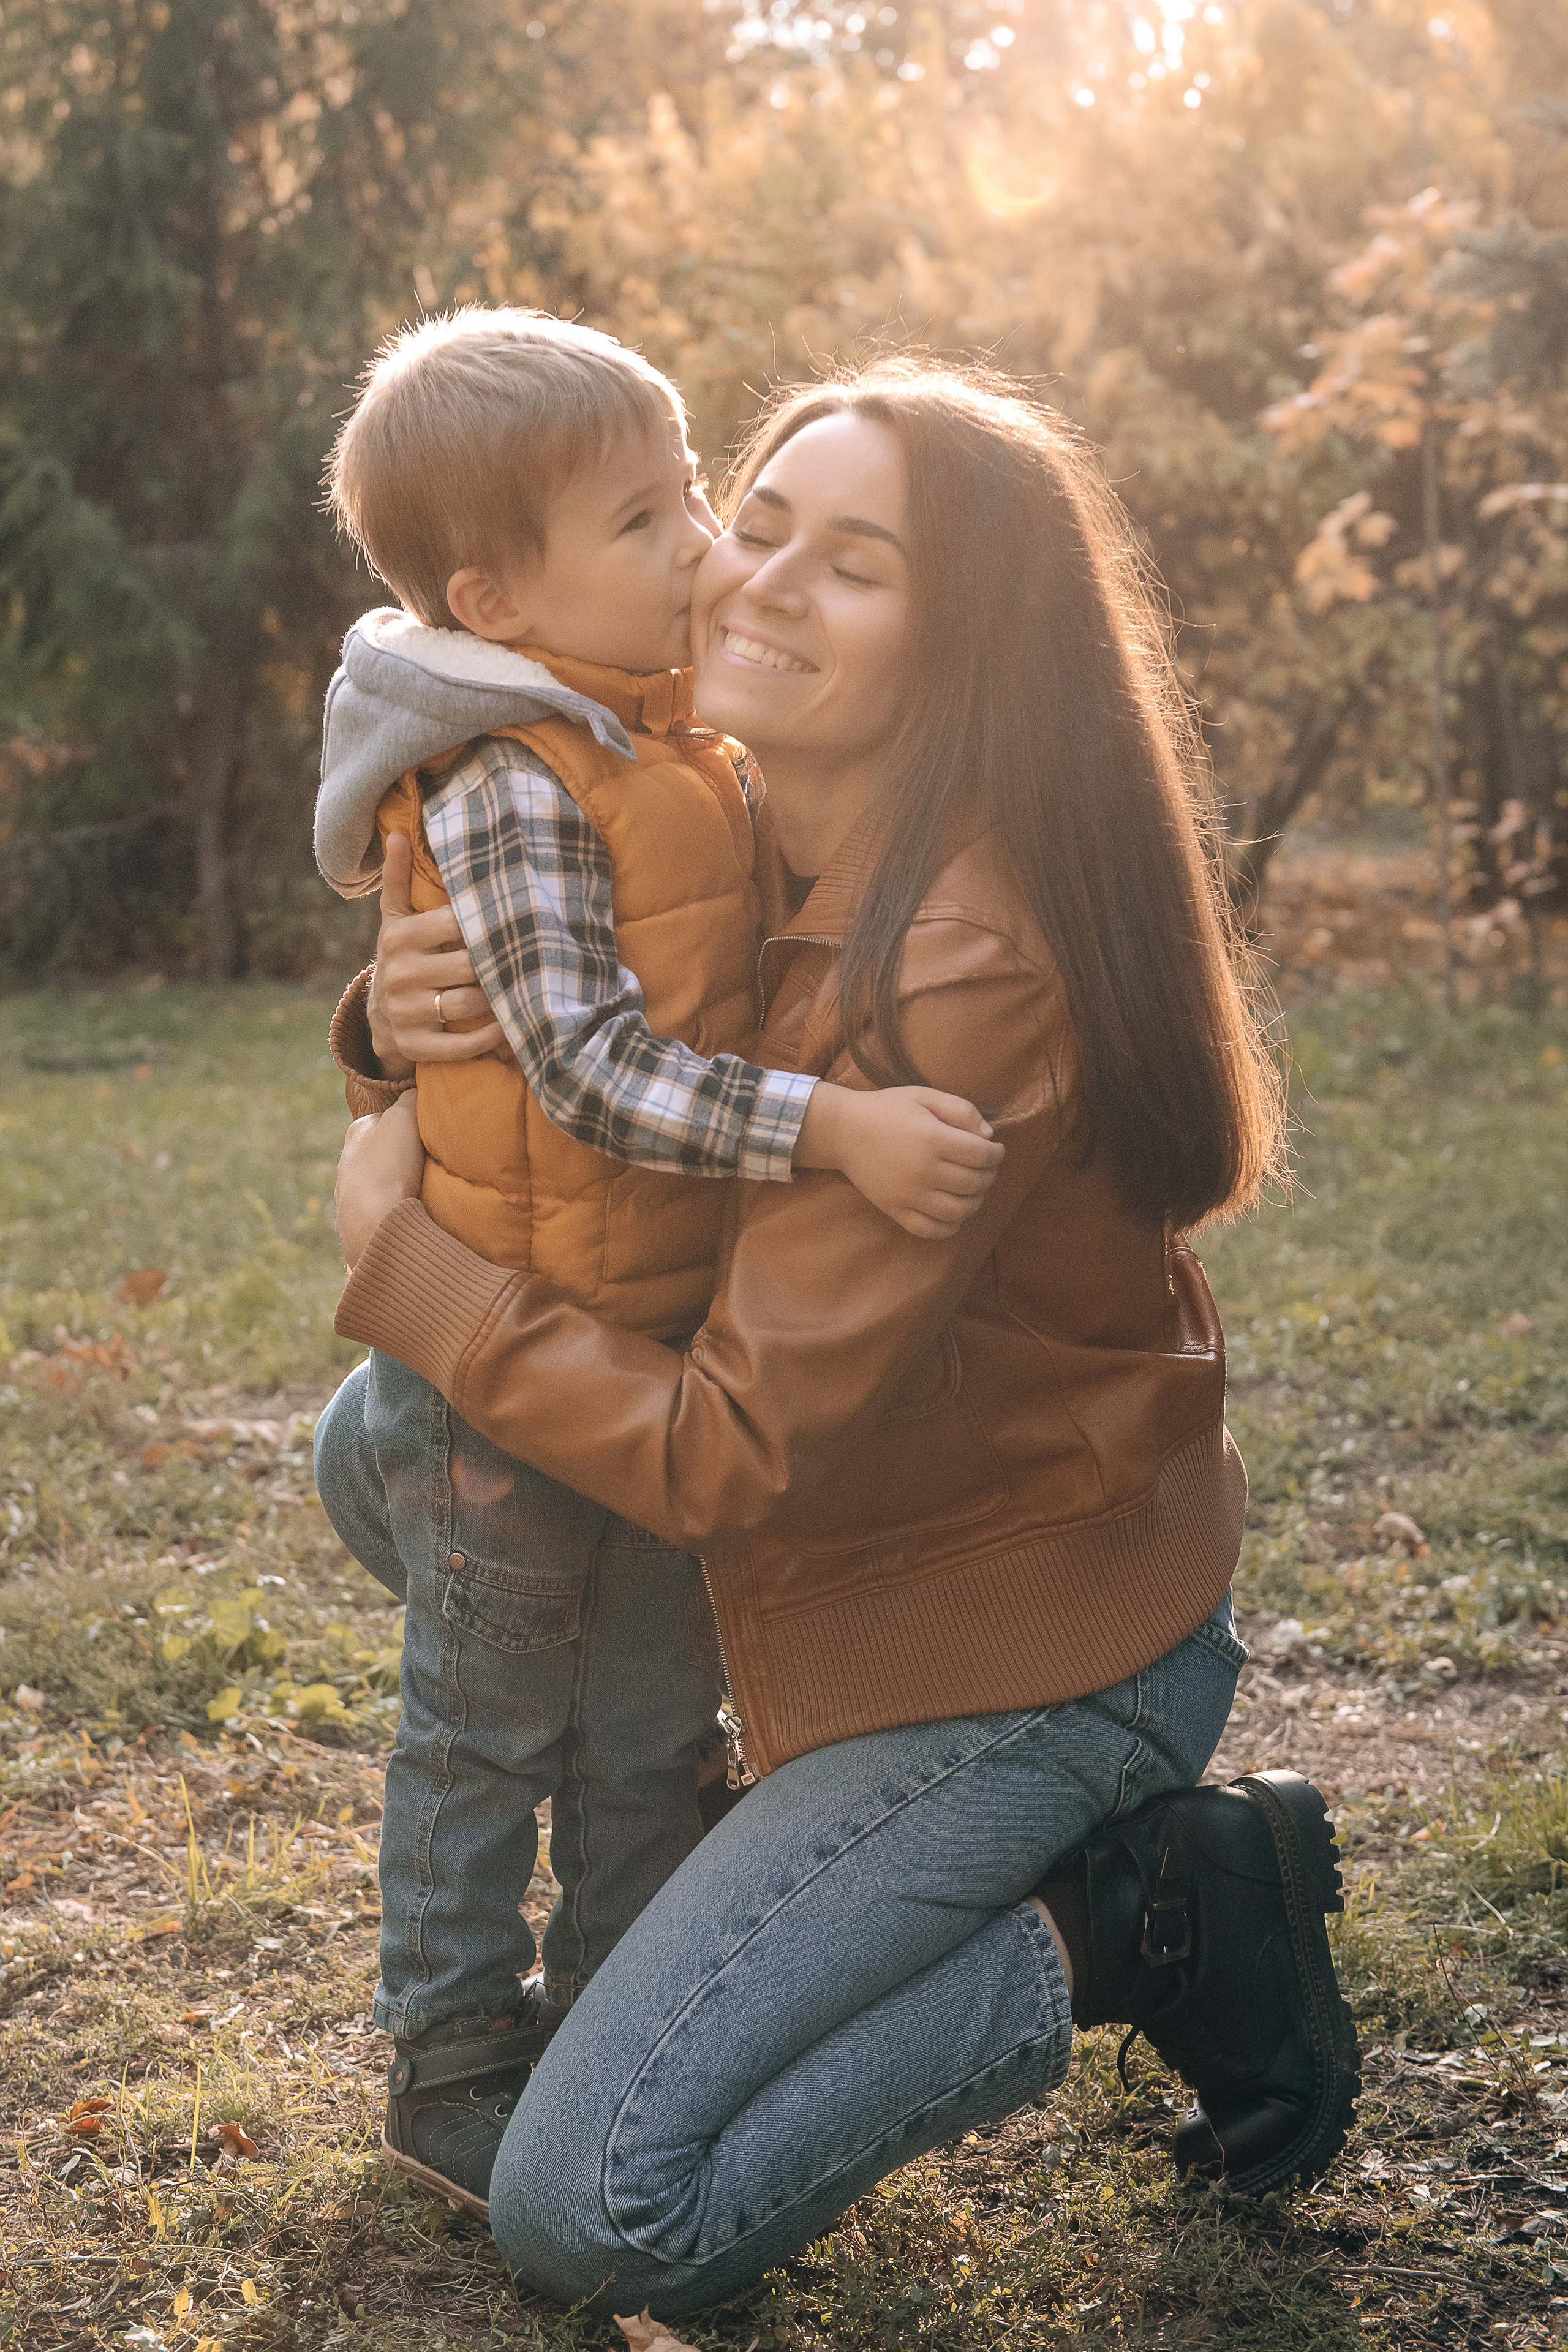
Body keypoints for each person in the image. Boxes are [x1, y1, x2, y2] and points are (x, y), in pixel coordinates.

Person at [332, 357, 1360, 2318]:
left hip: (1008, 1649)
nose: (755, 580)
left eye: (856, 565)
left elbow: (713, 1449)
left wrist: (410, 1265)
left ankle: (1142, 1916)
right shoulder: (727, 814)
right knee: (377, 1450)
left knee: (599, 2207)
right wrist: (396, 1019)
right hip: (815, 1562)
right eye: (760, 518)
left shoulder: (961, 965)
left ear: (965, 648)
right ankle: (714, 1780)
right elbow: (597, 1090)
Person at [309, 309, 1005, 2215]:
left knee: (644, 1728)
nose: (703, 550)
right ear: (493, 593)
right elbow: (598, 1073)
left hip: (639, 1357)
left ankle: (614, 2007)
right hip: (515, 1370)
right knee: (486, 1728)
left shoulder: (660, 736)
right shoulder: (518, 776)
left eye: (696, 492)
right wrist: (841, 1127)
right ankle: (450, 2055)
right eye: (654, 519)